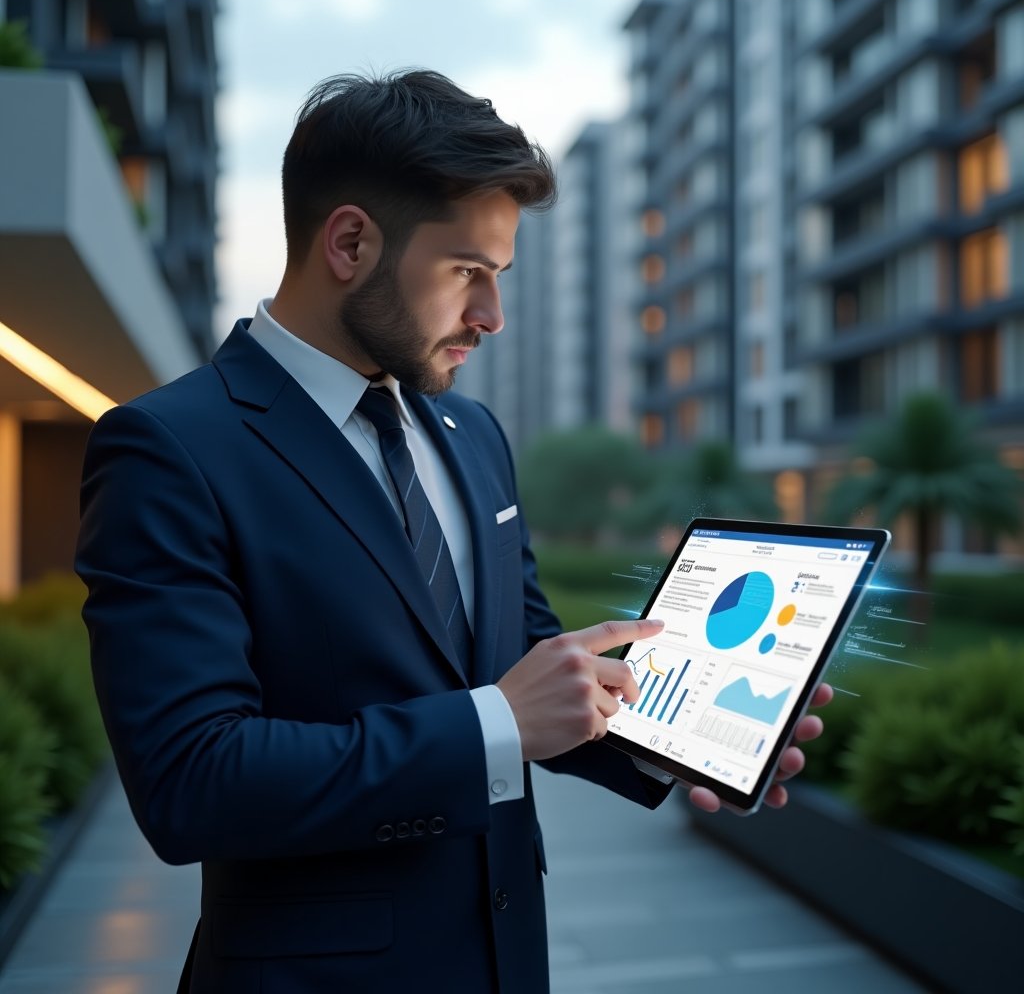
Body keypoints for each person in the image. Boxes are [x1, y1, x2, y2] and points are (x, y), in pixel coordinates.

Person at [76, 69, 830, 994]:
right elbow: (191, 780)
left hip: (507, 961)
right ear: (350, 241)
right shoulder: (170, 449)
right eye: (469, 273)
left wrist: (676, 735)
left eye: (501, 278)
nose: (493, 317)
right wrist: (495, 723)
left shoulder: (472, 434)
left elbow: (522, 655)